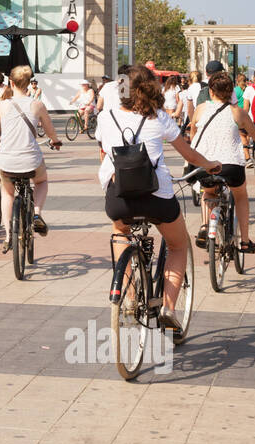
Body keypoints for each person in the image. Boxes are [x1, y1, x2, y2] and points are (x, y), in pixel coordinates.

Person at [95, 65, 221, 332]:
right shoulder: (159, 118)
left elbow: (104, 152)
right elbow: (190, 155)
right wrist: (210, 165)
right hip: (158, 197)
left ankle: (128, 300)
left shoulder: (106, 117)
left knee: (120, 232)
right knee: (177, 244)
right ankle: (168, 307)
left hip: (119, 197)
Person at [191, 72, 255, 254]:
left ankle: (204, 226)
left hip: (204, 164)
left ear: (211, 92)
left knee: (208, 192)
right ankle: (245, 241)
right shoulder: (237, 112)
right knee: (240, 196)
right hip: (231, 166)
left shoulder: (200, 109)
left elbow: (193, 134)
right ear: (231, 92)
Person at [0, 65, 62, 253]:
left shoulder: (2, 105)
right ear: (29, 83)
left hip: (6, 161)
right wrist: (55, 141)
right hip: (31, 160)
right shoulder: (37, 105)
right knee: (42, 181)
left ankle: (7, 236)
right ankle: (37, 214)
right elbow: (49, 130)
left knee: (7, 193)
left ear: (11, 83)